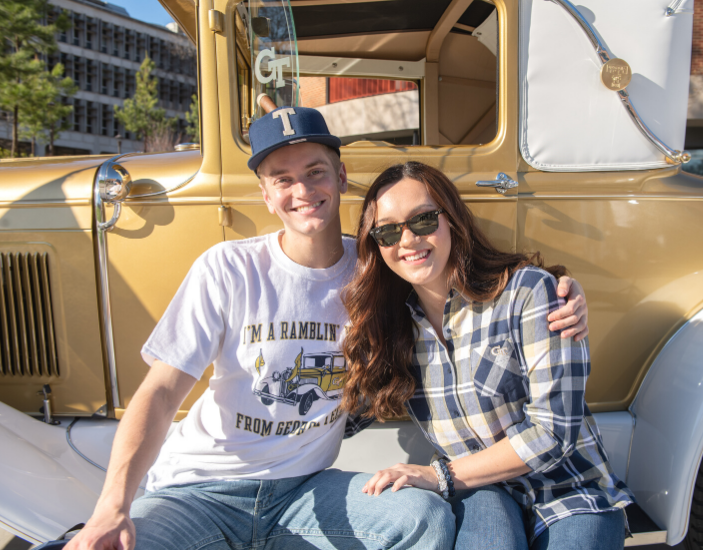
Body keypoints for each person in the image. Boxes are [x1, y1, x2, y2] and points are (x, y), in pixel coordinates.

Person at [52, 108, 590, 550]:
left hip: (305, 490)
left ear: (340, 178)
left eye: (314, 171)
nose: (301, 190)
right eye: (282, 179)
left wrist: (561, 290)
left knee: (422, 517)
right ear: (266, 195)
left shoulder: (382, 268)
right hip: (198, 491)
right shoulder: (227, 268)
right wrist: (111, 506)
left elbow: (456, 283)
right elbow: (162, 390)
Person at [341, 162, 635, 550]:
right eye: (388, 230)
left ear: (453, 220)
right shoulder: (391, 330)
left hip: (571, 487)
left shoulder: (528, 293)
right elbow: (337, 420)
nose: (408, 240)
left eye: (424, 220)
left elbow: (553, 433)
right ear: (376, 246)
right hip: (482, 492)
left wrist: (438, 477)